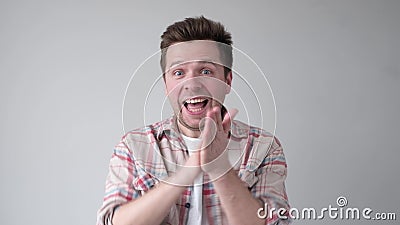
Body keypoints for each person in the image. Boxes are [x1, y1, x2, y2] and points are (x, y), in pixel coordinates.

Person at [97, 16, 290, 225]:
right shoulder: (133, 146)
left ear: (227, 81)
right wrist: (189, 170)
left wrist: (219, 168)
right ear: (166, 84)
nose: (192, 83)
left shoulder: (263, 147)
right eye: (179, 72)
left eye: (206, 71)